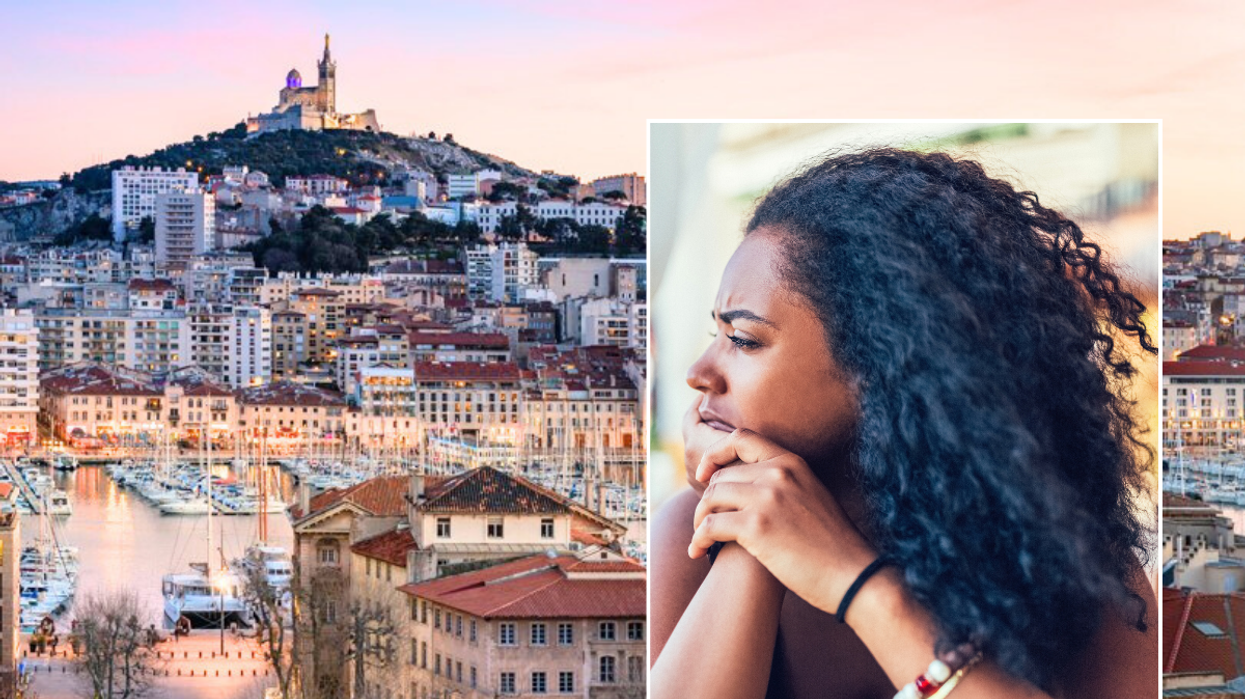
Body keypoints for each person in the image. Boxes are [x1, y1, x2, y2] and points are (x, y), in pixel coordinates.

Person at [650, 148, 1158, 699]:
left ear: (881, 364)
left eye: (743, 340)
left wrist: (858, 587)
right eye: (715, 334)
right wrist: (752, 537)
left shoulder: (1078, 566)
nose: (699, 373)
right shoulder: (691, 539)